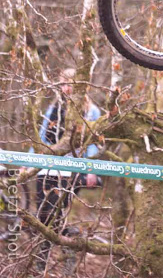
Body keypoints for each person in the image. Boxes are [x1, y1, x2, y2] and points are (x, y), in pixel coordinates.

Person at [31, 68, 101, 274]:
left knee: (57, 214)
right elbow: (42, 137)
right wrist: (29, 160)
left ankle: (68, 259)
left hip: (72, 169)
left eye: (70, 83)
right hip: (46, 167)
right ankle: (39, 264)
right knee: (43, 216)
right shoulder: (54, 106)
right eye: (63, 83)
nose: (66, 87)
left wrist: (90, 168)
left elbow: (93, 142)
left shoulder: (91, 111)